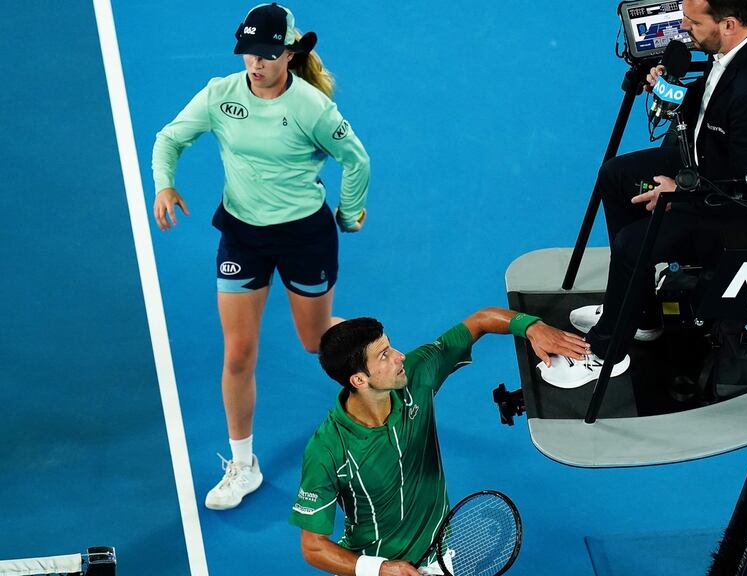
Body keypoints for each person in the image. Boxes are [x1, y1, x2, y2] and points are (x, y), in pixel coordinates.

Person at [150, 3, 371, 510]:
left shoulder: (312, 107)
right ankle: (243, 464)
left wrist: (350, 211)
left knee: (316, 342)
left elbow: (355, 158)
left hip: (303, 237)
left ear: (290, 54)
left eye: (269, 54)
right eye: (250, 52)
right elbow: (169, 138)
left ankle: (380, 348)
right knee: (238, 353)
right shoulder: (219, 94)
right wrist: (165, 185)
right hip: (242, 235)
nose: (257, 63)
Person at [540, 0, 747, 388]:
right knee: (616, 176)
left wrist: (681, 191)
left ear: (729, 23)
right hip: (711, 163)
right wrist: (673, 95)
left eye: (691, 20)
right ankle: (642, 315)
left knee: (633, 245)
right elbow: (713, 110)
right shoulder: (745, 36)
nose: (681, 27)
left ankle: (604, 353)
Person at [290, 308, 588, 576]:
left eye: (390, 345)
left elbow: (480, 321)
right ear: (359, 380)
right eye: (384, 355)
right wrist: (381, 569)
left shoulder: (417, 376)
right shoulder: (328, 450)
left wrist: (532, 327)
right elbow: (313, 547)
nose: (400, 356)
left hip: (435, 557)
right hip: (373, 564)